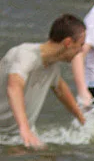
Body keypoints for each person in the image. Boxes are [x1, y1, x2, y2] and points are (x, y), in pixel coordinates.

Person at [1, 15, 87, 150]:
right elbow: (14, 87)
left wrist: (83, 119)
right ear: (68, 42)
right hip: (10, 135)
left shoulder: (52, 66)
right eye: (80, 45)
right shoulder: (25, 55)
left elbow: (60, 89)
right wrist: (25, 130)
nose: (82, 50)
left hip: (16, 136)